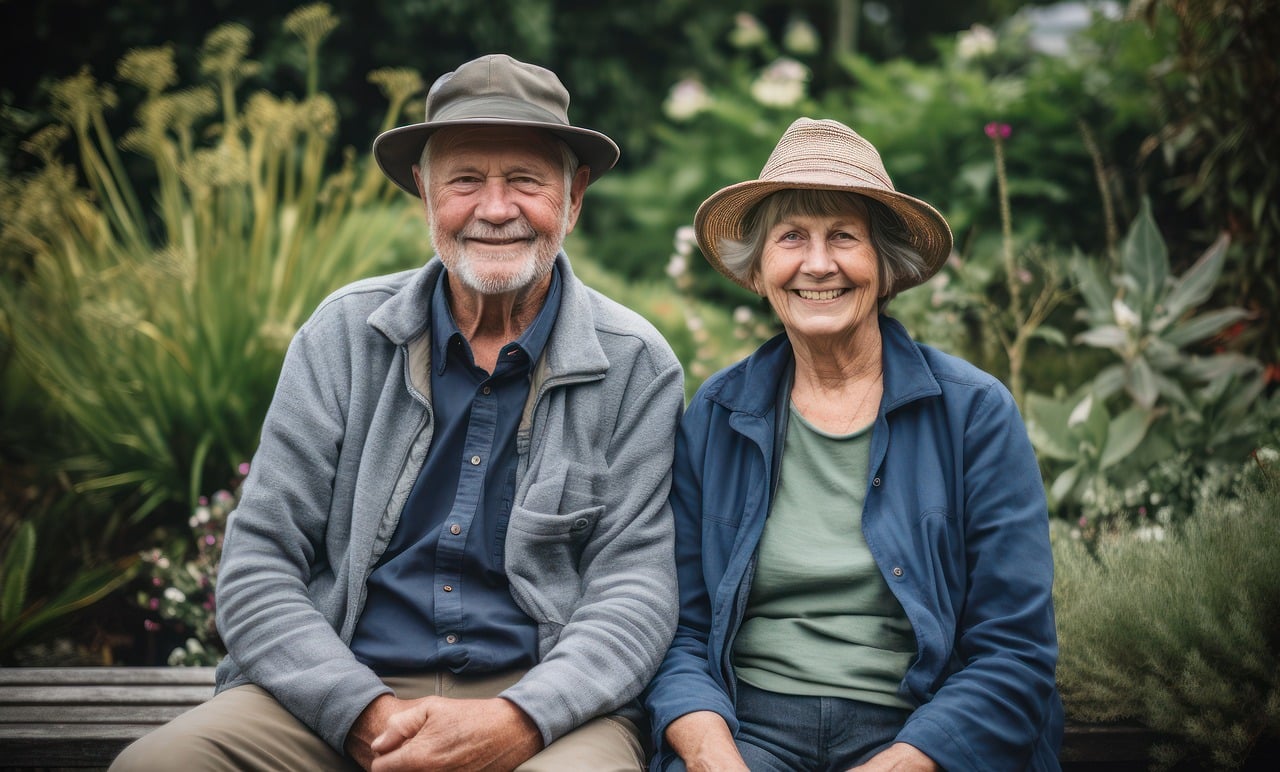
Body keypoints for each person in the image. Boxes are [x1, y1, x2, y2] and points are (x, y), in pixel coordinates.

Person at [111, 54, 685, 772]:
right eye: (466, 180)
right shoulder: (343, 335)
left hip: (545, 702)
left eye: (527, 182)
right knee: (157, 766)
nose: (496, 208)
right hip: (341, 682)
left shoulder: (635, 363)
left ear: (573, 199)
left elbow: (637, 591)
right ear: (424, 191)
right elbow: (258, 563)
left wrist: (518, 721)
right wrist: (362, 714)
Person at [643, 117, 1063, 771]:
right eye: (791, 238)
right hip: (748, 726)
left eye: (843, 236)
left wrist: (907, 759)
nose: (818, 264)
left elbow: (1014, 648)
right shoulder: (718, 415)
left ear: (886, 267)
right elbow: (679, 631)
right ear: (758, 271)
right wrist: (713, 755)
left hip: (917, 729)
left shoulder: (974, 414)